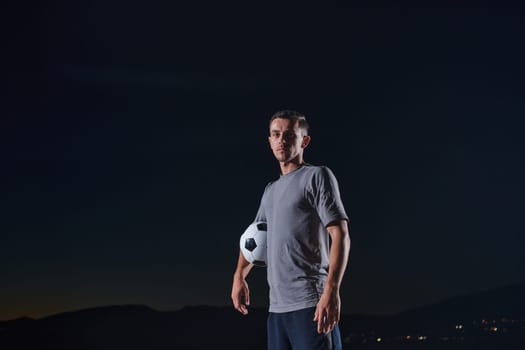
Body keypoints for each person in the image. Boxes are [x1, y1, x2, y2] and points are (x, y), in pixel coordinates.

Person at [231, 110, 351, 350]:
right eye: (276, 135)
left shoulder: (317, 176)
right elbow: (252, 239)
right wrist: (239, 276)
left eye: (289, 135)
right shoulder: (270, 190)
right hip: (276, 311)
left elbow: (340, 235)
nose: (281, 140)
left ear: (304, 141)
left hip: (311, 305)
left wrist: (332, 291)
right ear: (269, 140)